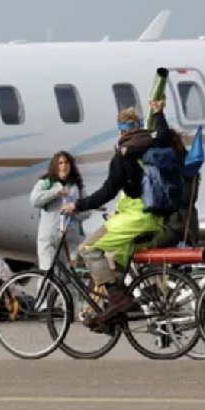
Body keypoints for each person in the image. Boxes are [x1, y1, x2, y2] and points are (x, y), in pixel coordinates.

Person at [64, 100, 171, 326]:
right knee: (116, 263)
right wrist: (159, 113)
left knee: (89, 248)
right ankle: (114, 315)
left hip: (136, 219)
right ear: (140, 126)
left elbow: (107, 192)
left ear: (121, 131)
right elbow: (164, 135)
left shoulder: (123, 156)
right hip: (157, 219)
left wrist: (78, 205)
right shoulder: (153, 145)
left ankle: (118, 300)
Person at [31, 151, 84, 271]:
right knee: (48, 272)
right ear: (55, 165)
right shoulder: (46, 183)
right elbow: (34, 200)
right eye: (60, 163)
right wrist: (55, 193)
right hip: (49, 235)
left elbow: (86, 211)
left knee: (69, 275)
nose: (63, 166)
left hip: (69, 236)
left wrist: (75, 210)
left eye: (66, 163)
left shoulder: (76, 185)